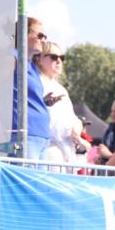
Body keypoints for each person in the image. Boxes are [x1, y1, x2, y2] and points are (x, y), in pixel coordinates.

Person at [35, 42, 87, 165]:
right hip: (50, 149)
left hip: (65, 151)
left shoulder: (61, 89)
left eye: (61, 58)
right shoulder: (38, 84)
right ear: (39, 59)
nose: (59, 61)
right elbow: (45, 120)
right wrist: (70, 130)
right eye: (53, 57)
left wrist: (77, 126)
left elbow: (71, 118)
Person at [12, 17, 50, 161]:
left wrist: (43, 102)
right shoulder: (12, 58)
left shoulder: (31, 66)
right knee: (24, 182)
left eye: (45, 37)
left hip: (41, 136)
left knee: (36, 183)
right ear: (23, 33)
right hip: (25, 135)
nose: (44, 40)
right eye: (40, 35)